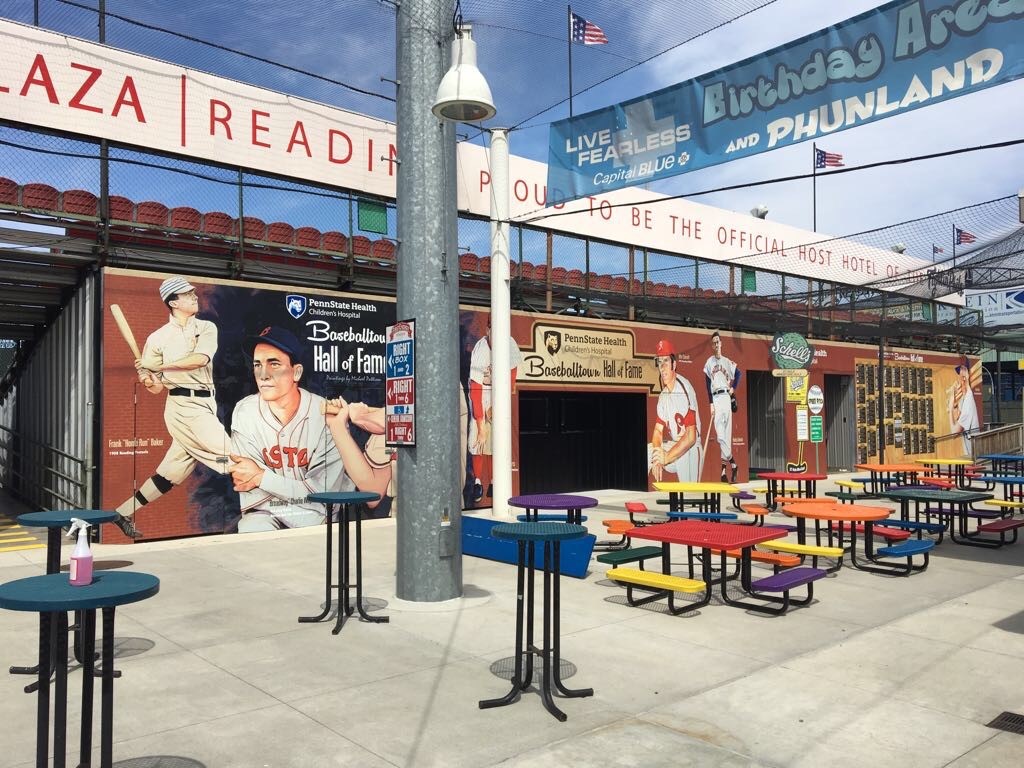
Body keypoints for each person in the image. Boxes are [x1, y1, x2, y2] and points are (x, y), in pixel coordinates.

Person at [228, 326, 392, 531]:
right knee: (252, 527)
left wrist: (262, 477)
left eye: (274, 364)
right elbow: (250, 491)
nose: (263, 375)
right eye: (257, 364)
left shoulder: (324, 412)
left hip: (327, 515)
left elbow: (323, 494)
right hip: (276, 513)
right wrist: (299, 497)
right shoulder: (245, 411)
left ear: (296, 372)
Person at [113, 276, 232, 539]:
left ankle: (120, 512)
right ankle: (272, 505)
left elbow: (200, 359)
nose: (194, 297)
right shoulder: (157, 339)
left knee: (170, 473)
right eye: (187, 295)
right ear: (173, 302)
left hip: (206, 403)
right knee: (233, 457)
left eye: (193, 293)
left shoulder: (206, 327)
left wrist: (158, 367)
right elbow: (156, 388)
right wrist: (147, 378)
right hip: (183, 407)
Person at [468, 316, 522, 503]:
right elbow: (475, 390)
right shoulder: (481, 349)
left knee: (494, 444)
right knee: (478, 441)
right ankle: (477, 482)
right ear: (487, 330)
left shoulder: (509, 344)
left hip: (498, 393)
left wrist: (497, 405)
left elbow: (511, 379)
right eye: (492, 328)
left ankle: (492, 482)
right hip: (481, 392)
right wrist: (481, 423)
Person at [648, 338, 702, 482]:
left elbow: (690, 437)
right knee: (648, 451)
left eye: (666, 361)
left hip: (690, 448)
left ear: (674, 364)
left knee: (689, 496)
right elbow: (658, 431)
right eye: (659, 362)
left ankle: (689, 499)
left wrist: (666, 457)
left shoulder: (685, 389)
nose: (662, 367)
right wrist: (657, 457)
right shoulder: (663, 396)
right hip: (674, 447)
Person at [703, 330, 741, 482]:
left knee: (726, 436)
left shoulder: (727, 361)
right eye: (714, 342)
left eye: (718, 341)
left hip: (726, 396)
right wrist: (710, 403)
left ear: (721, 343)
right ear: (712, 346)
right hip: (716, 397)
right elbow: (707, 383)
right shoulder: (709, 362)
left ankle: (723, 472)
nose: (716, 344)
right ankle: (734, 464)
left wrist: (733, 388)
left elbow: (738, 374)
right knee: (720, 437)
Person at [950, 358, 979, 456]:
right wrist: (955, 405)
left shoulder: (968, 401)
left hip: (972, 453)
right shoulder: (965, 398)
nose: (959, 381)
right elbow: (958, 417)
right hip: (970, 451)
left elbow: (954, 433)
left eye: (962, 376)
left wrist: (950, 409)